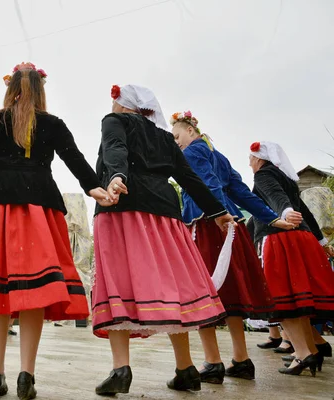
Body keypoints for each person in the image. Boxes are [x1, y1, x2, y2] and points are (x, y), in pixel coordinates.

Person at [0, 62, 109, 400]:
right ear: (41, 89)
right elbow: (74, 159)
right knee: (33, 291)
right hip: (39, 206)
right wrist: (94, 188)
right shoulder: (52, 124)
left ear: (10, 89)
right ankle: (26, 377)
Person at [92, 84, 235, 394]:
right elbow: (189, 178)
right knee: (173, 288)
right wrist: (218, 212)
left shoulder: (114, 121)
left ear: (123, 104)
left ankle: (120, 368)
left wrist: (117, 176)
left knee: (118, 284)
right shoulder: (164, 137)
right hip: (167, 214)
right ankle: (185, 368)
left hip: (123, 208)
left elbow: (115, 148)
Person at [170, 111, 295, 383]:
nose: (176, 142)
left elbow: (208, 183)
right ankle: (241, 359)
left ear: (191, 132)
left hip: (207, 223)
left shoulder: (192, 153)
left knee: (203, 292)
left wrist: (216, 215)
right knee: (230, 293)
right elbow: (242, 193)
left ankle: (213, 362)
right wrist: (272, 217)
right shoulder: (220, 157)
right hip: (231, 225)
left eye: (177, 136)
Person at [249, 141, 334, 376]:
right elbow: (305, 212)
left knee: (281, 302)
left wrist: (284, 212)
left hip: (280, 240)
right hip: (303, 239)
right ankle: (308, 349)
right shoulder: (287, 178)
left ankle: (304, 354)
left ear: (260, 159)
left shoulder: (264, 175)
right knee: (300, 301)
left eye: (251, 158)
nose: (249, 163)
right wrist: (322, 241)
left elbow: (277, 199)